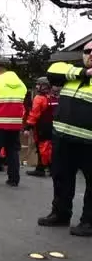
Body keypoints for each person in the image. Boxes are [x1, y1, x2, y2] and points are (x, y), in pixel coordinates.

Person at [38, 40, 92, 237]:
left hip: (89, 142)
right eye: (87, 51)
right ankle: (60, 214)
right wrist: (83, 73)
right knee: (61, 177)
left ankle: (88, 222)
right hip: (64, 138)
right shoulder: (73, 74)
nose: (90, 54)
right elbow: (53, 70)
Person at [24, 77, 58, 177]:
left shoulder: (39, 99)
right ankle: (51, 168)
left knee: (42, 148)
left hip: (42, 127)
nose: (37, 86)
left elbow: (34, 114)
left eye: (39, 84)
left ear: (44, 86)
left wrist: (28, 127)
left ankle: (41, 168)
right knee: (50, 147)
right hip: (54, 127)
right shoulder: (55, 98)